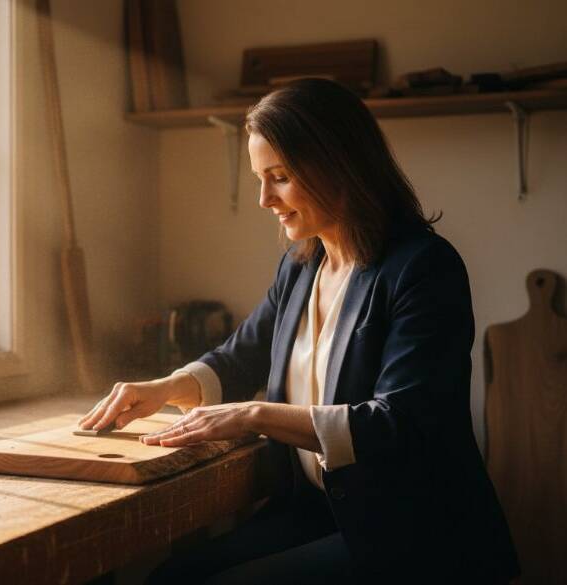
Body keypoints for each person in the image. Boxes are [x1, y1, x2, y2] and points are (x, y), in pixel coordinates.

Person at [79, 79, 520, 584]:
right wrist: (162, 388)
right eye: (259, 179)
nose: (265, 198)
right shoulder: (302, 265)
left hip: (414, 532)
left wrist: (254, 415)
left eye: (280, 177)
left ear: (339, 165)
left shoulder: (423, 268)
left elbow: (400, 422)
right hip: (323, 512)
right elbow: (240, 357)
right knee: (172, 576)